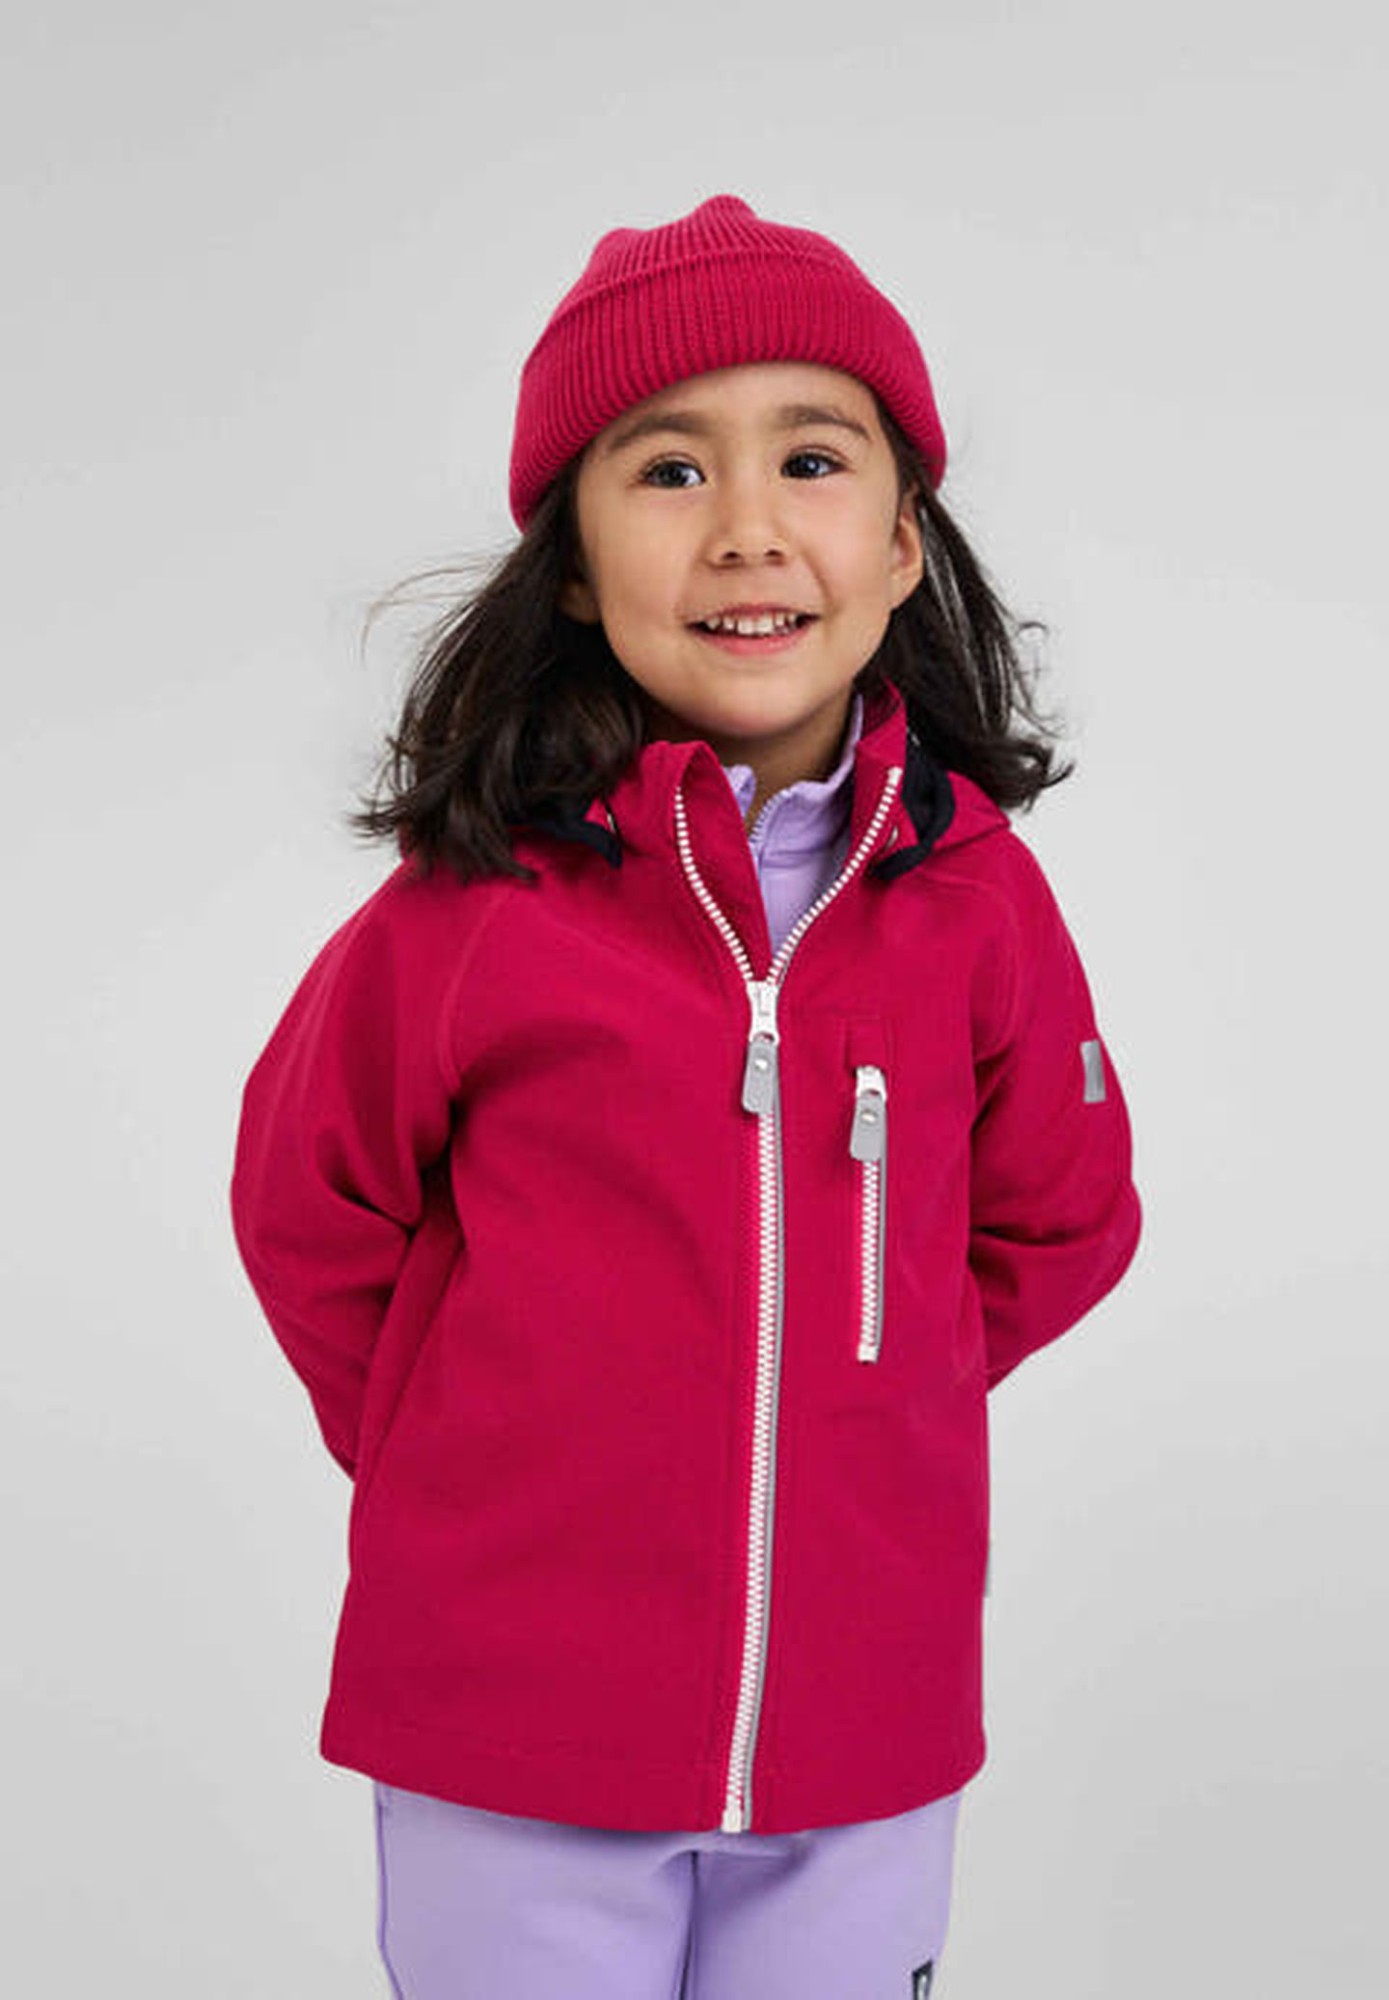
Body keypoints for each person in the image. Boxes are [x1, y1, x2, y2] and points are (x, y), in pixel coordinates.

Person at [232, 194, 1141, 2000]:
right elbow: (304, 1204)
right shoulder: (470, 910)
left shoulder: (976, 902)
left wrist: (861, 1402)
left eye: (811, 459)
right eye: (664, 470)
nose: (745, 527)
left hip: (865, 1731)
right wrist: (456, 1440)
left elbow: (1059, 1218)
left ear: (901, 542)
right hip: (509, 1734)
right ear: (571, 564)